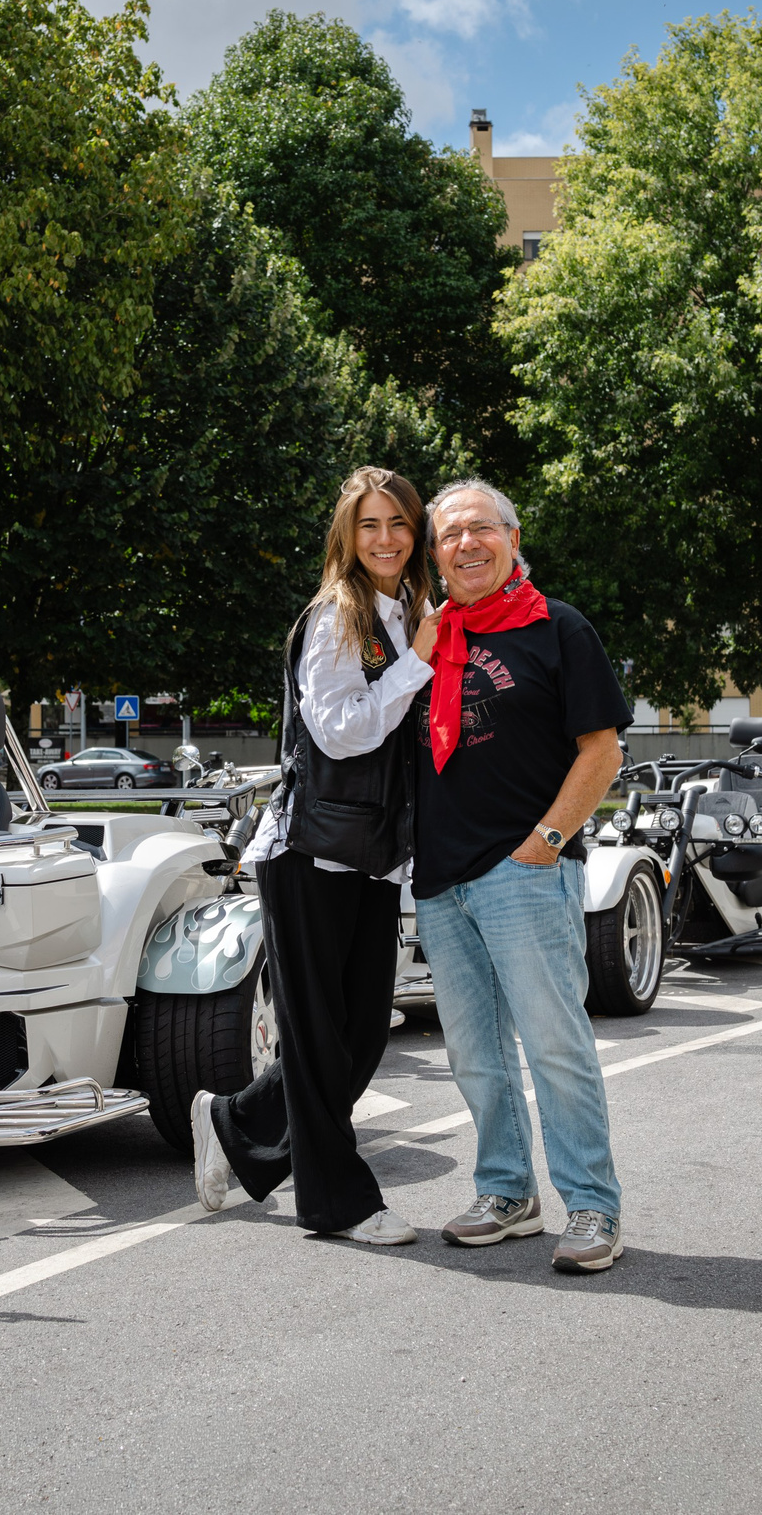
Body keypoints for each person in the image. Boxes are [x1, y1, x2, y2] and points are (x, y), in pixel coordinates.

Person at [191, 466, 434, 1245]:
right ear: (347, 536)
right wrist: (418, 663)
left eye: (399, 523)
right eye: (370, 525)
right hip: (306, 850)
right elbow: (343, 731)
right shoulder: (337, 617)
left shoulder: (409, 614)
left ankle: (233, 1121)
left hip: (372, 852)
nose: (386, 538)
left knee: (360, 1035)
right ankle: (341, 1204)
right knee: (317, 1036)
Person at [409, 479, 629, 1273]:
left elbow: (601, 752)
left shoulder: (558, 628)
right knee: (475, 1054)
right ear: (434, 556)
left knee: (553, 1044)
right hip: (441, 879)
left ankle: (593, 1207)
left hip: (523, 873)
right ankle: (506, 1190)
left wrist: (543, 843)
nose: (466, 544)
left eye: (480, 529)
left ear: (511, 535)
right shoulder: (428, 639)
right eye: (449, 536)